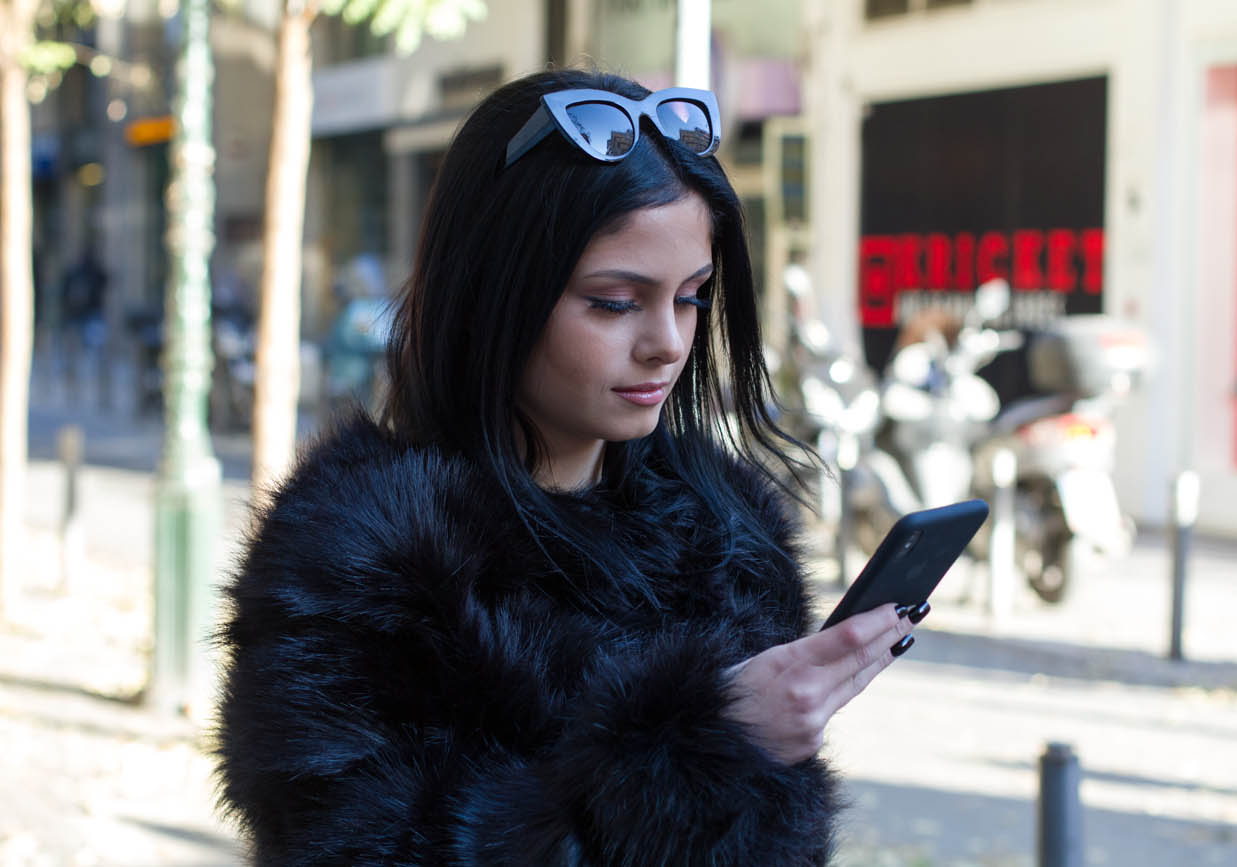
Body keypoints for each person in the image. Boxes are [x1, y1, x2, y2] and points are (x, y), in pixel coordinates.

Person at [214, 68, 928, 865]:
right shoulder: (365, 561)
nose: (667, 343)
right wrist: (700, 754)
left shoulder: (727, 542)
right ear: (496, 292)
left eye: (691, 296)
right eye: (615, 301)